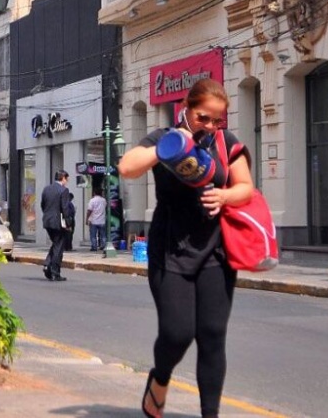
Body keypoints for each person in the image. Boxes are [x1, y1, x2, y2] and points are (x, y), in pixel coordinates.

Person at [118, 78, 254, 418]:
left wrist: (224, 195)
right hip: (170, 248)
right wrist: (171, 146)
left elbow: (246, 188)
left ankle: (211, 414)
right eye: (202, 117)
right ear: (186, 110)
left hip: (216, 249)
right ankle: (159, 379)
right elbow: (127, 167)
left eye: (216, 120)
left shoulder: (226, 142)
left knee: (212, 334)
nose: (209, 126)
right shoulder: (166, 137)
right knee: (177, 332)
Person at [40, 170, 71, 281]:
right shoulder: (64, 190)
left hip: (47, 221)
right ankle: (54, 271)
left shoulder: (46, 189)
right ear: (63, 178)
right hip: (57, 222)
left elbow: (43, 205)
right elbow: (65, 208)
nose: (67, 181)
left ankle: (47, 264)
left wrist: (48, 215)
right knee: (59, 246)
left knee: (56, 244)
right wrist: (68, 223)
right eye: (66, 179)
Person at [87, 185, 107, 251]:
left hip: (94, 220)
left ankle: (94, 247)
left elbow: (89, 210)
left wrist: (87, 218)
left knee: (93, 235)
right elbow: (105, 207)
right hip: (102, 221)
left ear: (94, 193)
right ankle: (103, 246)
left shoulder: (92, 200)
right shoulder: (104, 200)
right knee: (103, 235)